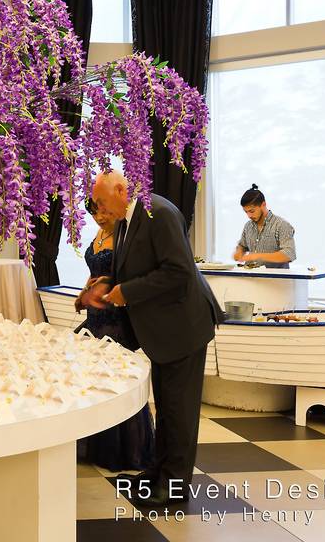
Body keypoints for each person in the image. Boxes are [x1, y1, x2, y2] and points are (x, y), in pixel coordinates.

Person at [90, 171, 223, 509]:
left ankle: (175, 487)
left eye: (103, 203)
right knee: (165, 407)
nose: (101, 211)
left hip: (183, 324)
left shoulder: (159, 213)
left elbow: (178, 272)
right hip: (162, 329)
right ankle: (157, 474)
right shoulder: (124, 220)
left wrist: (127, 292)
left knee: (180, 411)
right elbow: (130, 269)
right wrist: (104, 285)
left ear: (122, 190)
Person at [74, 198, 155, 472]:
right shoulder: (99, 234)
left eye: (104, 210)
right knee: (90, 376)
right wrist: (83, 294)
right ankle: (93, 443)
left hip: (115, 314)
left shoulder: (123, 233)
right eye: (95, 212)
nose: (99, 216)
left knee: (114, 377)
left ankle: (123, 450)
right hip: (94, 314)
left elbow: (126, 274)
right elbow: (94, 273)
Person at [232, 184, 296, 268]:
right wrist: (239, 252)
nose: (249, 215)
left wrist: (258, 255)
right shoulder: (248, 226)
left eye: (252, 211)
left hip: (276, 280)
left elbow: (289, 254)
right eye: (246, 212)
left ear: (263, 204)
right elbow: (242, 245)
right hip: (251, 279)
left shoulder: (281, 225)